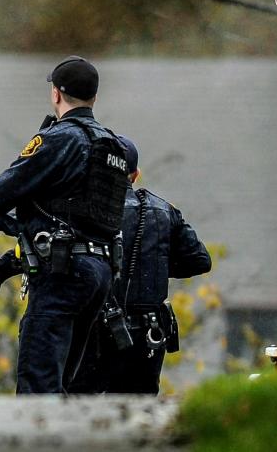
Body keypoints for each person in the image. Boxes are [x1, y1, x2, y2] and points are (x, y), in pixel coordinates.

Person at [0, 55, 128, 394]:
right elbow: (65, 216)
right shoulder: (112, 147)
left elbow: (9, 186)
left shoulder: (62, 138)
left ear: (56, 94)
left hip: (64, 275)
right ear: (94, 98)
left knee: (38, 385)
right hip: (100, 273)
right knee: (66, 384)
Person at [68, 134, 212, 395]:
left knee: (81, 413)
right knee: (138, 417)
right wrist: (156, 264)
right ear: (135, 175)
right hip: (147, 337)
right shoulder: (163, 211)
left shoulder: (79, 210)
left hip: (93, 334)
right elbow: (200, 260)